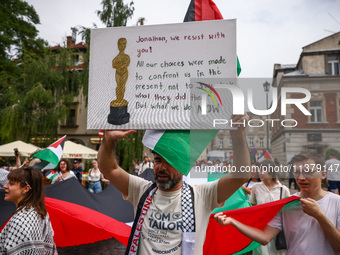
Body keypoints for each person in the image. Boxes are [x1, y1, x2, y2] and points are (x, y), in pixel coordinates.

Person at [98, 114, 251, 255]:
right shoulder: (140, 189)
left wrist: (238, 137)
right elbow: (109, 169)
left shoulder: (202, 195)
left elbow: (240, 177)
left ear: (183, 166)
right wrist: (109, 140)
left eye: (169, 162)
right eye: (158, 160)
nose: (161, 167)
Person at [214, 151, 340, 255]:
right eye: (296, 172)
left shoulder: (337, 202)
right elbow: (264, 237)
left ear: (323, 174)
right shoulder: (287, 204)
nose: (301, 177)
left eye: (308, 171)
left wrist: (319, 215)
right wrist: (233, 221)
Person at [0, 167, 57, 254]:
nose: (5, 186)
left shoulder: (19, 222)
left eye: (11, 184)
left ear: (26, 188)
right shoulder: (39, 211)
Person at [248, 161, 290, 255]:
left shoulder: (283, 189)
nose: (260, 172)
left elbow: (288, 211)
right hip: (260, 229)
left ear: (271, 171)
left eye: (264, 169)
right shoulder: (256, 187)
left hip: (277, 231)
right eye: (260, 170)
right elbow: (252, 206)